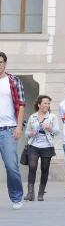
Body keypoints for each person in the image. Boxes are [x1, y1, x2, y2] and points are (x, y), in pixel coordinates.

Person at [0, 51, 26, 209]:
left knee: (11, 166)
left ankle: (16, 197)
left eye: (1, 62)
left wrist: (18, 126)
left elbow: (22, 104)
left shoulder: (14, 81)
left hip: (8, 130)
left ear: (5, 63)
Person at [24, 95, 59, 201]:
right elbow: (26, 133)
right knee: (32, 167)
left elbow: (57, 131)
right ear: (39, 104)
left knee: (45, 169)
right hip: (33, 145)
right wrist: (31, 133)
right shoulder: (32, 117)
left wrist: (49, 127)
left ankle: (40, 193)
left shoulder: (52, 117)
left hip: (47, 146)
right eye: (45, 103)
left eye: (48, 103)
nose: (47, 105)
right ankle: (30, 193)